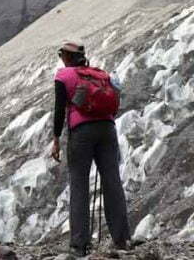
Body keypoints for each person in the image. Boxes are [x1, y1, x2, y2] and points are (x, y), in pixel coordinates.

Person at [50, 41, 131, 257]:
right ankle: (122, 239)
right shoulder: (100, 74)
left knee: (79, 184)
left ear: (66, 57)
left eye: (62, 55)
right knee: (112, 181)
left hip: (81, 132)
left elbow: (59, 109)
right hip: (107, 129)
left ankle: (79, 245)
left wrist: (56, 138)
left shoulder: (64, 76)